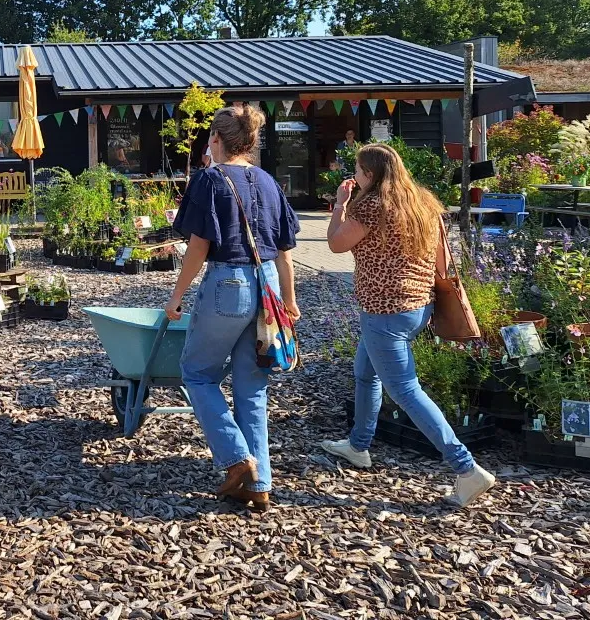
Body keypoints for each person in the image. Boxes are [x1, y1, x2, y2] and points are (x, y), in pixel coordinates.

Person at [320, 143, 496, 507]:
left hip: (385, 312)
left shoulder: (370, 205)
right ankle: (358, 444)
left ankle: (467, 469)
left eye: (357, 169)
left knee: (405, 390)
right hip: (418, 307)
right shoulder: (423, 203)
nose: (354, 175)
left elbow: (336, 244)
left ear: (369, 174)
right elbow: (441, 259)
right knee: (365, 373)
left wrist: (339, 203)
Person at [164, 106, 300, 512]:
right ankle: (259, 483)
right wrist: (290, 301)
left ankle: (236, 457)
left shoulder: (209, 179)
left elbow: (199, 247)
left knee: (198, 374)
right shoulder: (269, 182)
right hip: (268, 287)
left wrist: (176, 296)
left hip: (228, 284)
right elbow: (284, 251)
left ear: (217, 140)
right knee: (252, 386)